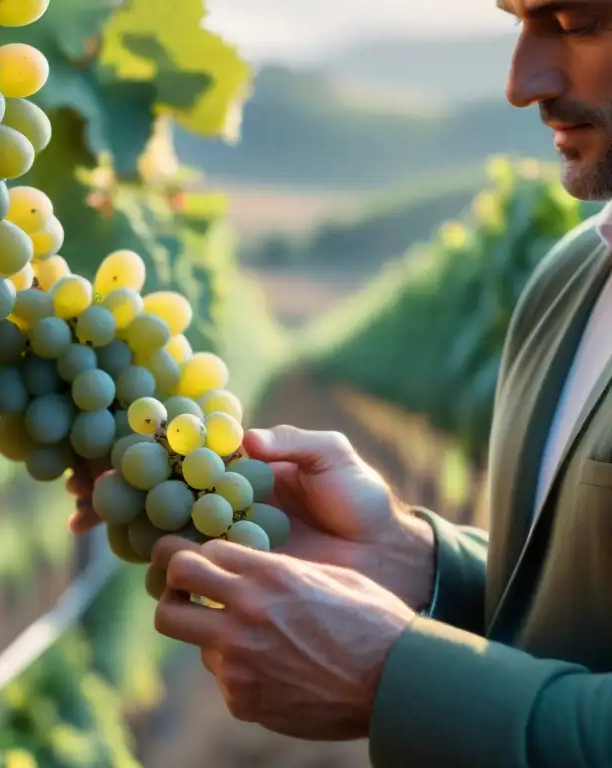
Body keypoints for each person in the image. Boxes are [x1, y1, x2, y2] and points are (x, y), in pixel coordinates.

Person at [67, 2, 612, 765]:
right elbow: (566, 623)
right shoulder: (573, 282)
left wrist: (395, 678)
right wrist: (409, 563)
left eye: (578, 19)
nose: (523, 83)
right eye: (519, 20)